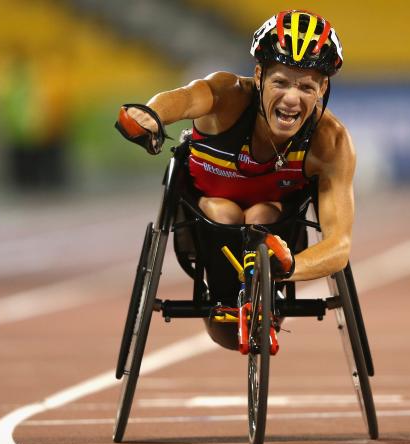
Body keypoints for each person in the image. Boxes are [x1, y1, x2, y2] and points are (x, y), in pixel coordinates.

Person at [118, 10, 354, 283]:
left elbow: (339, 246)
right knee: (224, 211)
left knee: (260, 213)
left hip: (276, 229)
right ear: (258, 76)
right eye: (280, 82)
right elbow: (186, 99)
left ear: (323, 88)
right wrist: (153, 114)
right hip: (207, 219)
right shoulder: (227, 95)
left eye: (305, 87)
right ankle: (223, 298)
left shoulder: (330, 141)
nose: (291, 98)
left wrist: (289, 266)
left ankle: (262, 301)